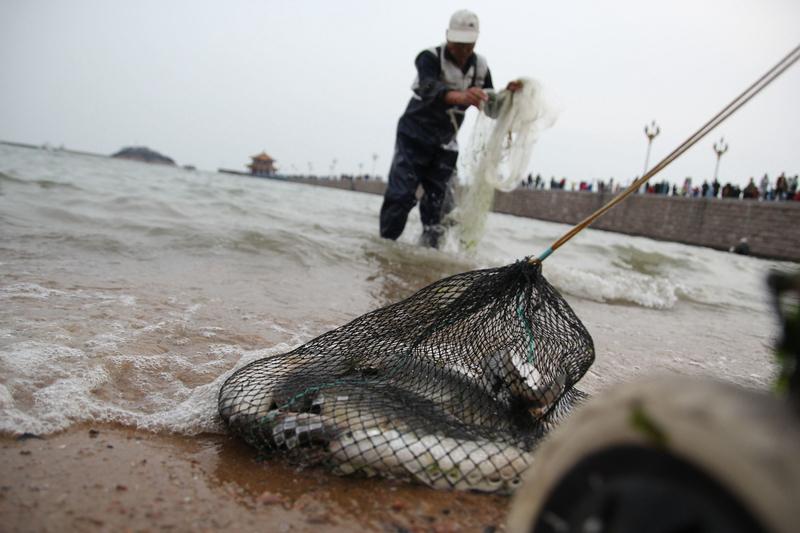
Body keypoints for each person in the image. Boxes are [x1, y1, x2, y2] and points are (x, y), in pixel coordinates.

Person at [379, 9, 522, 248]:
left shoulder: (481, 67)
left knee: (439, 208)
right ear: (448, 37)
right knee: (401, 196)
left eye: (468, 44)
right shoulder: (429, 57)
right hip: (414, 136)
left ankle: (426, 261)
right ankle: (385, 249)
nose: (463, 50)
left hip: (446, 142)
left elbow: (491, 107)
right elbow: (428, 88)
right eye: (458, 44)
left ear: (476, 40)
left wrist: (507, 95)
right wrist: (462, 97)